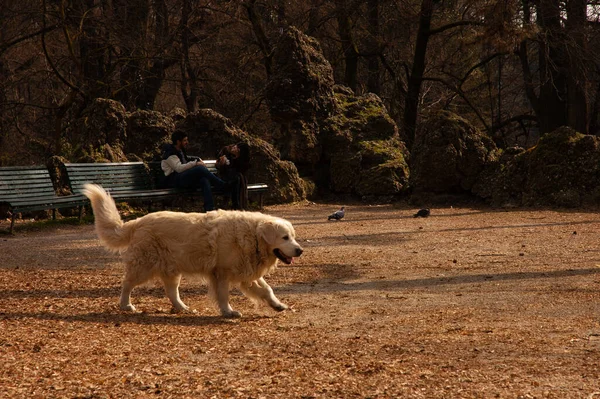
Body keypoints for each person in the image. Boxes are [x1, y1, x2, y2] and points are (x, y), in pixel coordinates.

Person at [161, 130, 228, 212]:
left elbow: (186, 158)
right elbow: (179, 168)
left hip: (182, 178)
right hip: (174, 180)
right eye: (185, 140)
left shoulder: (179, 150)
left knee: (204, 180)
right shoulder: (170, 154)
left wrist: (197, 158)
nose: (187, 142)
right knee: (199, 168)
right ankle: (221, 185)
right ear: (178, 142)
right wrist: (196, 163)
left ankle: (209, 209)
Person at [215, 142, 250, 210]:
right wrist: (222, 164)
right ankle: (235, 204)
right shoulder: (227, 153)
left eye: (235, 147)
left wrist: (236, 158)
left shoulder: (242, 159)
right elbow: (218, 166)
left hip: (233, 179)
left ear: (239, 150)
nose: (233, 148)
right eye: (234, 147)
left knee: (236, 178)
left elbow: (241, 170)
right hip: (224, 177)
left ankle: (230, 202)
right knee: (236, 178)